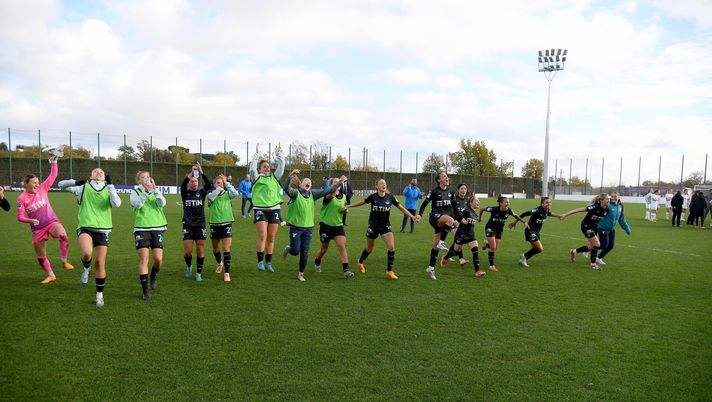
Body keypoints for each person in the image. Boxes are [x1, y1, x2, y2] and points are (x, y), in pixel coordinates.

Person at [59, 167, 121, 307]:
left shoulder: (108, 188)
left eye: (102, 172)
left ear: (104, 177)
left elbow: (117, 203)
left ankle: (99, 295)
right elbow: (60, 185)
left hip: (103, 230)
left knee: (100, 263)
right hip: (86, 227)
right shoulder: (83, 188)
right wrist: (75, 182)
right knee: (87, 253)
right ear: (91, 176)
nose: (99, 172)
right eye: (95, 171)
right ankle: (86, 268)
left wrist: (110, 185)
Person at [16, 147, 74, 284]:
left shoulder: (43, 188)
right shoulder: (21, 198)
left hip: (52, 222)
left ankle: (64, 262)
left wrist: (53, 162)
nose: (37, 184)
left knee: (63, 236)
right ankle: (51, 275)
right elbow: (19, 217)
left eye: (37, 182)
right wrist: (30, 220)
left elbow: (53, 176)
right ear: (26, 184)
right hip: (38, 229)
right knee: (41, 256)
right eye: (34, 182)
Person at [343, 178, 419, 280]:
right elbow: (362, 202)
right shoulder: (373, 197)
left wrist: (412, 217)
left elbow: (401, 208)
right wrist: (349, 206)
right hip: (373, 226)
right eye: (381, 183)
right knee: (369, 249)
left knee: (391, 247)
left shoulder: (390, 198)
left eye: (385, 183)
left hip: (385, 226)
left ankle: (389, 271)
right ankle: (360, 262)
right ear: (377, 186)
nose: (384, 185)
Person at [282, 170, 344, 281]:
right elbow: (286, 187)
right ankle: (288, 249)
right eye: (305, 180)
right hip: (295, 227)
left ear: (311, 186)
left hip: (308, 229)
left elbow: (328, 190)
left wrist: (340, 182)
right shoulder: (295, 193)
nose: (308, 182)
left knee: (305, 252)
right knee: (296, 251)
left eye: (309, 181)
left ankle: (301, 273)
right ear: (301, 184)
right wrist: (290, 175)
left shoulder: (313, 194)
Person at [130, 171, 167, 301]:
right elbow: (138, 204)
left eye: (147, 176)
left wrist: (155, 190)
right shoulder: (135, 192)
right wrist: (146, 192)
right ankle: (145, 290)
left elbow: (162, 203)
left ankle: (154, 276)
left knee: (158, 259)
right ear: (139, 181)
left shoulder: (156, 191)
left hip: (157, 227)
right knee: (144, 259)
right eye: (143, 177)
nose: (146, 178)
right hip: (141, 228)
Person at [249, 143, 285, 272]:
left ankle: (268, 262)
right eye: (264, 166)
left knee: (271, 237)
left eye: (268, 167)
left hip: (274, 209)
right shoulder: (256, 178)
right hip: (260, 209)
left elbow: (281, 167)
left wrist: (279, 154)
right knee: (263, 235)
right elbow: (252, 169)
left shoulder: (274, 178)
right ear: (260, 169)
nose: (267, 168)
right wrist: (257, 155)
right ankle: (260, 262)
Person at [416, 171, 458, 280]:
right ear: (439, 180)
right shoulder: (434, 191)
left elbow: (454, 208)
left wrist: (460, 219)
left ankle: (431, 268)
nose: (447, 178)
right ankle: (442, 243)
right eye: (444, 176)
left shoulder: (451, 192)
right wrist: (420, 215)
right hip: (435, 217)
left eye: (447, 176)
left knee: (435, 246)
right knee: (449, 219)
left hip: (445, 221)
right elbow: (424, 204)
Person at [314, 177, 354, 278]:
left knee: (341, 245)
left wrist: (344, 210)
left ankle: (346, 270)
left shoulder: (344, 196)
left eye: (338, 182)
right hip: (326, 226)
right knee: (324, 249)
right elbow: (331, 196)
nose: (338, 184)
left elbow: (342, 208)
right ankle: (317, 261)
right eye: (335, 182)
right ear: (332, 185)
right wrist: (339, 183)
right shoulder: (328, 195)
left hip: (338, 226)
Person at [559, 193, 610, 271]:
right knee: (597, 244)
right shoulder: (594, 207)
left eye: (608, 199)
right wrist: (565, 214)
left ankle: (574, 251)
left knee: (590, 247)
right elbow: (578, 210)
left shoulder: (607, 209)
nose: (608, 200)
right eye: (606, 199)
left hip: (594, 227)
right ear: (601, 200)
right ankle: (593, 264)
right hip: (586, 226)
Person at [478, 195, 528, 272]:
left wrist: (524, 222)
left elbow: (516, 216)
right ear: (501, 203)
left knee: (494, 248)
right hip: (490, 228)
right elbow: (482, 208)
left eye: (508, 202)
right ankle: (491, 266)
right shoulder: (494, 209)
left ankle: (486, 244)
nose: (508, 203)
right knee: (493, 248)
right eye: (506, 202)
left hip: (499, 230)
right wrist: (480, 218)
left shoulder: (509, 211)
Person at [180, 163, 212, 281]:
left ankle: (198, 273)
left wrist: (201, 172)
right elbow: (183, 184)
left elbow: (208, 185)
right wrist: (191, 172)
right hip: (187, 225)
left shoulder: (202, 193)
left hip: (200, 225)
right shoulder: (184, 193)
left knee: (200, 249)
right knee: (188, 252)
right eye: (192, 181)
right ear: (189, 183)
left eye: (196, 181)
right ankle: (189, 266)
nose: (194, 183)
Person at [440, 196, 486, 277]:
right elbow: (456, 215)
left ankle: (477, 271)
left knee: (475, 251)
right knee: (455, 252)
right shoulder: (465, 210)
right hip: (461, 234)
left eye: (478, 201)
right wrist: (457, 221)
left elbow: (478, 219)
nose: (478, 202)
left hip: (471, 235)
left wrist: (481, 214)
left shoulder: (473, 212)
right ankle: (445, 257)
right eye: (476, 201)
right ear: (471, 202)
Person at [509, 196, 561, 267]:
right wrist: (515, 222)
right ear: (542, 204)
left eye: (550, 202)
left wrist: (558, 216)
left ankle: (523, 260)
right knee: (540, 248)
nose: (549, 204)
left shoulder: (546, 210)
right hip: (530, 230)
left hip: (536, 231)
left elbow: (549, 214)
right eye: (547, 202)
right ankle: (523, 256)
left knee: (535, 249)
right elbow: (524, 214)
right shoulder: (537, 210)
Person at [208, 174, 238, 282]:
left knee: (226, 249)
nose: (220, 185)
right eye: (218, 183)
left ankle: (227, 273)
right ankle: (219, 263)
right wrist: (218, 188)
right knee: (215, 248)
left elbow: (235, 193)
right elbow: (211, 197)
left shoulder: (227, 194)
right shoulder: (211, 195)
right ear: (214, 184)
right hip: (214, 224)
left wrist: (226, 183)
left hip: (226, 224)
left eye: (221, 183)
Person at [594, 192, 631, 265]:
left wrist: (627, 228)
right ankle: (588, 248)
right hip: (603, 227)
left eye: (615, 196)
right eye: (612, 196)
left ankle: (598, 258)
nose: (613, 198)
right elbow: (598, 212)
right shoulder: (607, 205)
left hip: (611, 229)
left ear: (619, 197)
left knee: (610, 246)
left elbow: (621, 219)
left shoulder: (620, 206)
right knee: (604, 245)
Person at [443, 183, 470, 266]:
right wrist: (454, 220)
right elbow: (449, 211)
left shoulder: (467, 201)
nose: (463, 190)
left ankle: (447, 256)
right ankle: (461, 259)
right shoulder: (454, 200)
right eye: (462, 188)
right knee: (460, 239)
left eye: (465, 189)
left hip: (463, 224)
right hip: (454, 223)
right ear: (458, 190)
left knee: (457, 241)